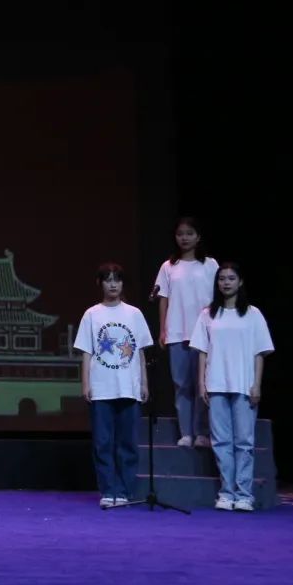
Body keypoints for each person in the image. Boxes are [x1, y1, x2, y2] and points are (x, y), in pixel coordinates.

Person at [190, 262, 273, 512]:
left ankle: (244, 494)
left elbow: (260, 352)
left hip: (244, 385)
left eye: (231, 278)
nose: (226, 283)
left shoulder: (253, 314)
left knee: (244, 442)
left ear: (240, 282)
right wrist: (202, 382)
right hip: (216, 385)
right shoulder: (208, 314)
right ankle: (227, 492)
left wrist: (257, 384)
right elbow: (202, 351)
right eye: (222, 279)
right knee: (221, 441)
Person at [74, 263, 153, 508]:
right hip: (102, 387)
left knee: (127, 443)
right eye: (108, 280)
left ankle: (125, 491)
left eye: (117, 280)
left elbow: (140, 351)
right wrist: (86, 384)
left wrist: (144, 383)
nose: (113, 284)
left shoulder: (134, 314)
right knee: (103, 442)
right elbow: (86, 352)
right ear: (100, 284)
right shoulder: (91, 314)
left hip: (128, 386)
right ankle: (108, 491)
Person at [154, 216, 217, 447]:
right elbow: (163, 299)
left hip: (204, 333)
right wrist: (163, 330)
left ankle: (201, 432)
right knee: (182, 385)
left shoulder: (210, 264)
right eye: (180, 234)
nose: (185, 238)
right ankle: (186, 433)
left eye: (190, 233)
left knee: (203, 384)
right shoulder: (168, 266)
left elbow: (219, 296)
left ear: (198, 237)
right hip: (177, 332)